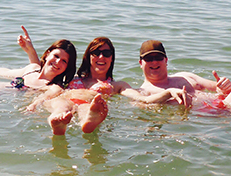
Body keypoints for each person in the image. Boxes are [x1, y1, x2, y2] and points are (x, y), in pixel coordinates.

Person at [25, 36, 189, 135]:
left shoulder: (117, 85)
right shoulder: (70, 78)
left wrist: (168, 92)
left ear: (112, 59)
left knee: (87, 108)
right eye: (96, 52)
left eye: (107, 53)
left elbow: (143, 99)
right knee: (60, 104)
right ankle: (58, 123)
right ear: (89, 57)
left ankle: (88, 121)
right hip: (64, 100)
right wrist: (35, 103)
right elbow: (45, 78)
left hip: (88, 104)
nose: (101, 56)